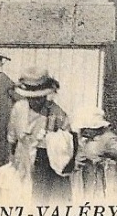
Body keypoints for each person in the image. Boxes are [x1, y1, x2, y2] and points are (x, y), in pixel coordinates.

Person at [7, 66, 73, 203]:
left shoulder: (56, 113)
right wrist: (12, 159)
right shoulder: (19, 108)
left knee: (41, 201)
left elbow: (67, 143)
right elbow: (12, 138)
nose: (35, 101)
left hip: (45, 168)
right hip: (22, 162)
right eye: (32, 98)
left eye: (39, 98)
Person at [71, 107, 117, 198]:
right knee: (87, 191)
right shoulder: (84, 141)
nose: (86, 131)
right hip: (87, 171)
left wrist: (106, 154)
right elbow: (80, 153)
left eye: (88, 129)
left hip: (103, 170)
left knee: (104, 191)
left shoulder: (107, 137)